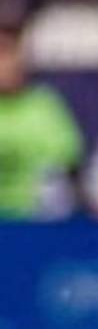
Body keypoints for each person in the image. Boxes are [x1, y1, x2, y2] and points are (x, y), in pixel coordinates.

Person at [0, 25, 83, 218]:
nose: (5, 64)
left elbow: (67, 158)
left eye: (10, 54)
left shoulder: (45, 105)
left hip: (36, 217)